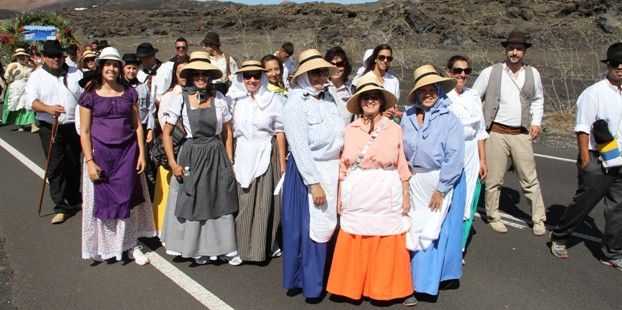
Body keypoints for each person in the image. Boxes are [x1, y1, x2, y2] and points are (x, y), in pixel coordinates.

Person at [326, 75, 412, 302]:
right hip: (358, 189)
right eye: (366, 97)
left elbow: (401, 162)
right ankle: (351, 287)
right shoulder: (350, 129)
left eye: (375, 97)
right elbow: (343, 166)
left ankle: (385, 288)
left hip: (386, 188)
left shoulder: (394, 129)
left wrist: (405, 194)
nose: (370, 101)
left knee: (386, 237)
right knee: (356, 234)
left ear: (381, 101)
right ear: (360, 101)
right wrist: (338, 196)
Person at [160, 51, 240, 266]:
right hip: (191, 153)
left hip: (215, 152)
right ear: (190, 75)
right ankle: (195, 248)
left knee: (219, 198)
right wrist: (173, 163)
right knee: (193, 200)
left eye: (205, 74)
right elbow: (166, 134)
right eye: (197, 74)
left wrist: (229, 159)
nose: (201, 78)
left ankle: (225, 247)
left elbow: (227, 131)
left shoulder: (219, 98)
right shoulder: (180, 99)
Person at [78, 47, 155, 264]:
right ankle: (105, 246)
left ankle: (130, 244)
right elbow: (84, 131)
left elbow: (137, 125)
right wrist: (90, 162)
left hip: (127, 154)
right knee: (103, 202)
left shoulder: (129, 92)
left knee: (128, 200)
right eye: (107, 64)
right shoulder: (89, 96)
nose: (111, 68)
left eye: (115, 64)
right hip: (100, 155)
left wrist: (141, 154)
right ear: (100, 67)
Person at [550, 42, 622, 270]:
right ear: (608, 65)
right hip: (596, 158)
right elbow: (582, 128)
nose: (620, 68)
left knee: (618, 208)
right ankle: (559, 237)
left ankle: (612, 252)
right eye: (615, 64)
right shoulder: (594, 93)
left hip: (620, 159)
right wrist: (585, 158)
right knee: (584, 203)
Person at [281, 49, 344, 300]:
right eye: (314, 72)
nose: (319, 77)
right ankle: (310, 284)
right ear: (303, 75)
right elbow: (298, 145)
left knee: (330, 226)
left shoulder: (329, 99)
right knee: (310, 229)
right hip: (311, 172)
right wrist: (314, 182)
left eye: (322, 72)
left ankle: (327, 276)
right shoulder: (296, 102)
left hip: (333, 166)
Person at [472, 30, 547, 235]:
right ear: (506, 49)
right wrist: (479, 125)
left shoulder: (533, 73)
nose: (515, 52)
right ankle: (493, 215)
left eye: (519, 49)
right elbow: (475, 98)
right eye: (511, 48)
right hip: (495, 132)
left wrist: (536, 122)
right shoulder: (491, 72)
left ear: (524, 51)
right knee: (494, 178)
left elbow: (538, 99)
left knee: (529, 177)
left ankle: (538, 218)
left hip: (521, 133)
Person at [401, 64, 464, 306]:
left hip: (437, 180)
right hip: (414, 179)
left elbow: (455, 156)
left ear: (439, 90)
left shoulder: (450, 120)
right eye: (423, 90)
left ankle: (424, 284)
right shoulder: (407, 117)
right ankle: (407, 278)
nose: (428, 94)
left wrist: (441, 188)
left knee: (432, 232)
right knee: (412, 228)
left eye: (432, 90)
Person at [227, 60, 287, 262]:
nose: (252, 80)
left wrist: (282, 161)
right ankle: (242, 247)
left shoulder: (273, 99)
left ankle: (262, 247)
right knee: (243, 200)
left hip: (266, 153)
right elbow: (227, 130)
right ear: (241, 78)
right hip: (242, 152)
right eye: (247, 76)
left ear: (262, 78)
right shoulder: (234, 99)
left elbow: (279, 131)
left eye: (256, 76)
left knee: (264, 203)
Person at [25, 40, 84, 224]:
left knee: (74, 164)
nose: (56, 59)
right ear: (44, 58)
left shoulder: (75, 73)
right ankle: (61, 205)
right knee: (56, 166)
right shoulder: (37, 76)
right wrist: (48, 108)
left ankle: (74, 199)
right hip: (51, 127)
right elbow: (31, 102)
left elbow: (85, 96)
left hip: (73, 126)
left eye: (59, 55)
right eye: (51, 56)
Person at [445, 55, 489, 258]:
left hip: (471, 150)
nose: (462, 75)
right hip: (450, 150)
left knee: (468, 195)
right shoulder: (443, 96)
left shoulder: (473, 96)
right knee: (448, 196)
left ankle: (458, 247)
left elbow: (480, 130)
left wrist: (482, 159)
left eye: (466, 71)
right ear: (449, 72)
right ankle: (443, 243)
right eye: (457, 70)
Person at [153, 58, 189, 236]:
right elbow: (164, 126)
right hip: (175, 149)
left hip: (190, 150)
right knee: (170, 195)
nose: (183, 76)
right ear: (175, 74)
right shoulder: (169, 97)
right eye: (180, 72)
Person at [136, 42, 174, 188]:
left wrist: (164, 99)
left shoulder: (166, 68)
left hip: (164, 114)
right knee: (147, 149)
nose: (144, 61)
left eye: (146, 58)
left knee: (164, 147)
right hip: (147, 117)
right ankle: (150, 180)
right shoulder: (140, 74)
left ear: (153, 56)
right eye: (142, 59)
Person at [122, 53, 156, 196]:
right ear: (123, 69)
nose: (131, 71)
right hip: (124, 129)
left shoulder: (142, 87)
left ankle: (145, 191)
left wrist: (150, 128)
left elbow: (150, 108)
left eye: (134, 68)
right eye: (128, 68)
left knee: (143, 159)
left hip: (140, 127)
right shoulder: (119, 87)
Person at [2, 48, 37, 132]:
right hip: (15, 88)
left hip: (26, 87)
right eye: (19, 56)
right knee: (18, 106)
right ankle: (22, 124)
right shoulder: (13, 65)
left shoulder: (29, 66)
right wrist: (10, 70)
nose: (21, 58)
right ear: (16, 57)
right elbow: (6, 77)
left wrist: (34, 66)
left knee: (27, 105)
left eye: (22, 56)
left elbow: (35, 74)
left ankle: (33, 125)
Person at [324, 46, 355, 124]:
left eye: (339, 64)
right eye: (331, 64)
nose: (335, 68)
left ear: (345, 66)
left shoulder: (353, 90)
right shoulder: (320, 89)